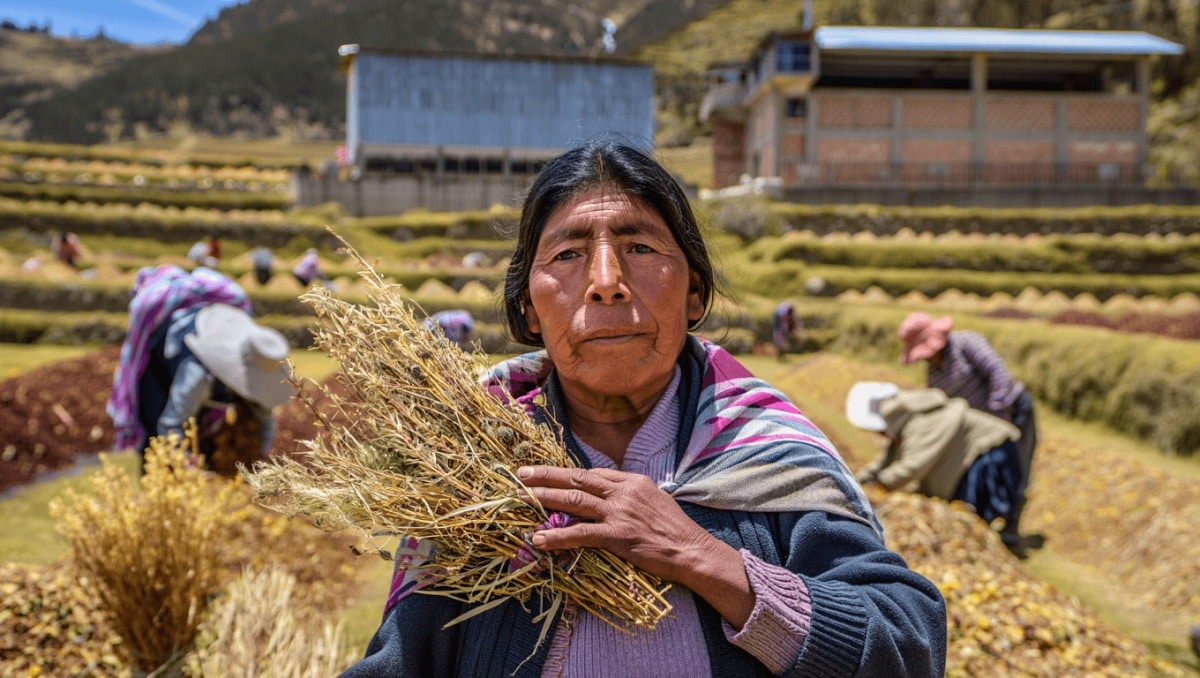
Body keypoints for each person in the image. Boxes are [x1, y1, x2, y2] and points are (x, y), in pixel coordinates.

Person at [345, 142, 945, 676]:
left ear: (693, 296)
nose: (607, 281)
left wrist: (701, 555)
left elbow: (909, 644)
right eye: (568, 255)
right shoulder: (475, 478)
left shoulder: (765, 454)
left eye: (639, 246)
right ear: (528, 308)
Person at [106, 265, 294, 471]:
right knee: (155, 445)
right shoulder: (198, 373)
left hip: (200, 370)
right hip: (159, 368)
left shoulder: (260, 369)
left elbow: (265, 421)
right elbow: (171, 423)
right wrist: (185, 463)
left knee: (204, 439)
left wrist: (260, 457)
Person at [897, 311, 1038, 551]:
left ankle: (1011, 530)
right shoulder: (934, 372)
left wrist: (997, 417)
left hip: (1012, 411)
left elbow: (999, 375)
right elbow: (942, 404)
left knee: (1017, 468)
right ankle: (988, 522)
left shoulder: (967, 343)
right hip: (982, 426)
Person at [846, 382, 1027, 557]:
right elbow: (884, 460)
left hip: (990, 454)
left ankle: (1001, 552)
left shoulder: (924, 421)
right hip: (974, 459)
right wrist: (854, 483)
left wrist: (878, 485)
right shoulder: (905, 421)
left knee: (983, 517)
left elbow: (912, 466)